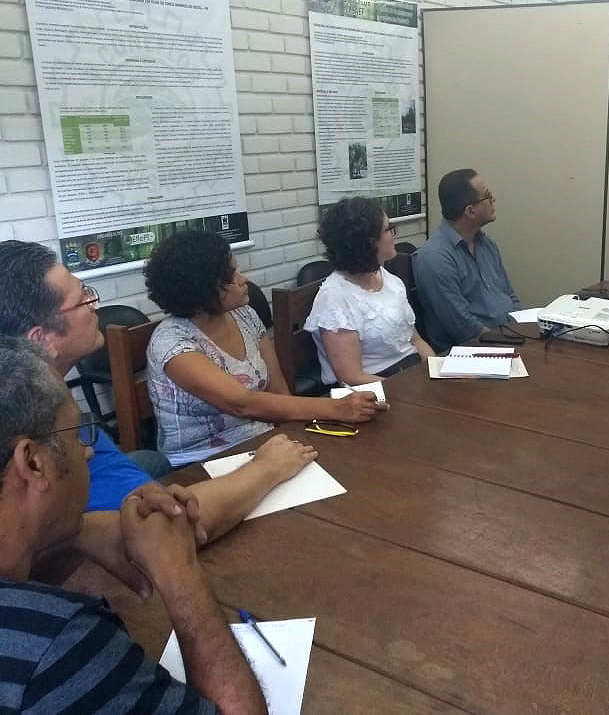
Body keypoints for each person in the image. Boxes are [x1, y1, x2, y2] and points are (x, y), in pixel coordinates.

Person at [0, 338, 268, 714]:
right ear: (32, 463)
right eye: (76, 434)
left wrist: (76, 533)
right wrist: (181, 576)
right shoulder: (57, 643)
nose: (87, 451)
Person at [0, 240, 316, 551]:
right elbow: (162, 530)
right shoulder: (42, 427)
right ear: (41, 339)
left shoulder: (62, 412)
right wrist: (266, 468)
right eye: (83, 299)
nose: (95, 304)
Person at [144, 230, 382, 465]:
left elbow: (280, 395)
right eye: (231, 276)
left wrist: (300, 437)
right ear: (202, 289)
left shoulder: (245, 315)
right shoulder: (172, 342)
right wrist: (337, 408)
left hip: (262, 443)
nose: (243, 279)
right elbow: (242, 403)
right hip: (199, 462)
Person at [304, 197, 434, 386]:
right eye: (389, 229)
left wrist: (436, 371)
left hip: (410, 373)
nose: (394, 234)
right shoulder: (334, 299)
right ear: (368, 243)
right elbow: (352, 377)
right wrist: (410, 388)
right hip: (376, 387)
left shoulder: (387, 278)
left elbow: (415, 340)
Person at [413, 169, 520, 352]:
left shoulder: (487, 245)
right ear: (470, 211)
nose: (493, 200)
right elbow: (463, 328)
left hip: (508, 339)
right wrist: (508, 346)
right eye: (488, 196)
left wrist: (523, 332)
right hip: (471, 352)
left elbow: (510, 296)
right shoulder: (435, 258)